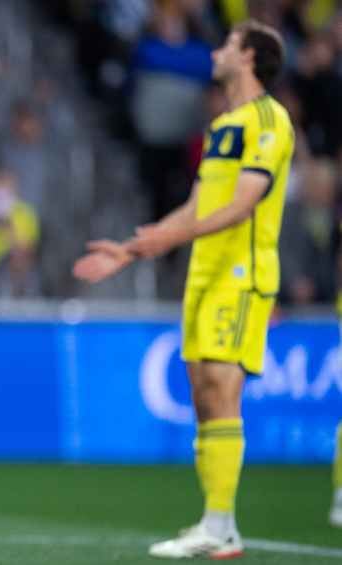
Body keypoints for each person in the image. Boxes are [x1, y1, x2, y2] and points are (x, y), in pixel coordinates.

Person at [73, 21, 294, 559]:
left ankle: (219, 525)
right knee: (202, 394)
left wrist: (169, 237)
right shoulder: (225, 123)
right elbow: (199, 205)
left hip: (241, 275)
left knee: (222, 388)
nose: (216, 52)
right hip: (203, 274)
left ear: (249, 58)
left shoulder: (270, 119)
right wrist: (129, 249)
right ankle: (218, 524)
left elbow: (244, 204)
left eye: (228, 45)